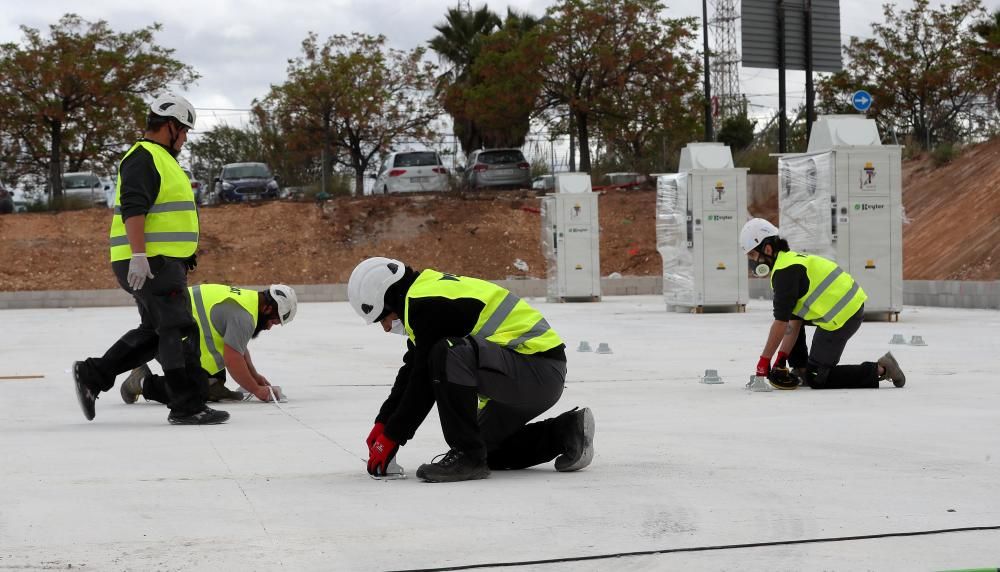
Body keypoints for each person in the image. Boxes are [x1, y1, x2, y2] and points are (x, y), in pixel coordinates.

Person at [348, 257, 595, 483]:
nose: (387, 328)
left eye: (383, 318)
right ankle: (566, 431)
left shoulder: (427, 305)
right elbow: (412, 368)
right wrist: (383, 423)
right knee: (488, 449)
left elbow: (423, 380)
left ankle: (468, 457)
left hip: (536, 368)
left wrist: (393, 436)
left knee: (448, 351)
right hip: (527, 376)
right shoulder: (423, 297)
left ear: (389, 298)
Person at [72, 93, 229, 425]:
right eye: (184, 130)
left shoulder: (161, 159)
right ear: (169, 126)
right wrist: (139, 256)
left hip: (161, 261)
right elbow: (133, 207)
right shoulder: (143, 157)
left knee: (157, 332)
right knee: (178, 329)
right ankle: (187, 406)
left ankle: (94, 374)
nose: (185, 138)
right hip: (150, 262)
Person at [740, 218, 906, 390]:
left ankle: (882, 369)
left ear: (767, 249)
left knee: (818, 379)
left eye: (752, 255)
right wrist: (781, 359)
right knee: (792, 318)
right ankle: (801, 369)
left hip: (844, 315)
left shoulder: (785, 272)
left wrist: (764, 361)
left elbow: (780, 323)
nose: (753, 262)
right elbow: (793, 320)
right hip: (840, 309)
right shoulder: (788, 262)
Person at [120, 284, 297, 406]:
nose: (270, 327)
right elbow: (233, 358)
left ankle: (212, 385)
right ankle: (142, 381)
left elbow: (238, 345)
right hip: (166, 337)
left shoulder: (246, 301)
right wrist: (257, 390)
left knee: (211, 377)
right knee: (191, 394)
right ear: (267, 309)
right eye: (274, 321)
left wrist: (255, 376)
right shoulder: (244, 316)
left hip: (170, 327)